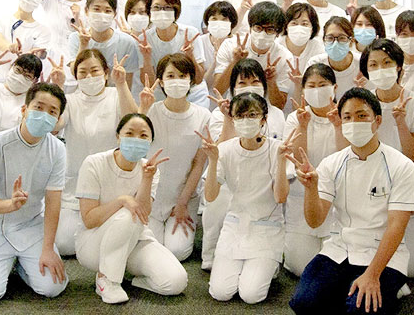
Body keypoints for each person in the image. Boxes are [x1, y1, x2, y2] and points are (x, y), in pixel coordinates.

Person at [288, 88, 414, 315]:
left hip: (382, 255)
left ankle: (388, 291)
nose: (354, 122)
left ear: (377, 121)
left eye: (362, 115)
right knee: (304, 303)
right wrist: (311, 189)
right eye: (347, 117)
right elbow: (315, 221)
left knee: (359, 309)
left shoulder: (401, 166)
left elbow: (397, 227)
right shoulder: (332, 163)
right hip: (341, 249)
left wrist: (372, 275)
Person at [0, 82, 68, 305]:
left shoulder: (57, 150)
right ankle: (1, 263)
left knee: (53, 287)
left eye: (52, 112)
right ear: (24, 109)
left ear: (57, 120)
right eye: (38, 107)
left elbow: (53, 202)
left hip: (30, 226)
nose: (44, 115)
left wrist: (48, 249)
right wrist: (9, 205)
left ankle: (21, 266)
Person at [74, 113, 188, 304]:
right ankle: (106, 279)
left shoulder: (149, 169)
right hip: (94, 244)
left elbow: (143, 214)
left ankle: (123, 274)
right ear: (118, 136)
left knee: (176, 282)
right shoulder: (94, 163)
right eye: (129, 133)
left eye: (143, 135)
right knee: (129, 212)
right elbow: (89, 219)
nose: (136, 139)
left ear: (150, 141)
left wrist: (147, 178)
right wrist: (122, 200)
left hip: (134, 241)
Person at [200, 93, 294, 303]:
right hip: (235, 226)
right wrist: (213, 161)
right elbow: (210, 195)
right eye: (240, 116)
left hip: (266, 228)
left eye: (252, 115)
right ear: (232, 119)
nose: (246, 121)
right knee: (221, 292)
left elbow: (280, 197)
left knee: (251, 295)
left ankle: (269, 265)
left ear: (263, 119)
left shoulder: (278, 149)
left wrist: (280, 162)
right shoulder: (225, 149)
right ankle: (252, 267)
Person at [52, 49, 144, 256]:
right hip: (77, 185)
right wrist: (57, 87)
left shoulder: (116, 95)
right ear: (76, 77)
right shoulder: (70, 100)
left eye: (94, 71)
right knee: (64, 244)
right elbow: (55, 127)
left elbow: (133, 121)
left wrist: (121, 84)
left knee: (118, 233)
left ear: (105, 72)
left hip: (112, 182)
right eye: (82, 72)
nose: (89, 77)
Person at [201, 59, 287, 270]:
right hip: (228, 177)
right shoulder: (219, 113)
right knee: (219, 201)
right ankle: (212, 254)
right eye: (242, 82)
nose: (249, 87)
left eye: (255, 81)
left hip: (262, 181)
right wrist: (228, 118)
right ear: (233, 87)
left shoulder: (276, 114)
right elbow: (220, 152)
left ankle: (266, 259)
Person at [360, 39, 414, 278]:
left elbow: (413, 154)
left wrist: (400, 121)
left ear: (399, 66)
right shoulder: (363, 103)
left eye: (387, 62)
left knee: (412, 270)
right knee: (376, 262)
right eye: (374, 64)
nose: (380, 69)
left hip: (410, 187)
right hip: (374, 186)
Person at [144, 53, 212, 261]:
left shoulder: (203, 116)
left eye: (182, 76)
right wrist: (142, 108)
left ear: (191, 80)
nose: (177, 81)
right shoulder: (151, 112)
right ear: (161, 81)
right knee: (151, 248)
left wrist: (182, 202)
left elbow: (198, 164)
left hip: (184, 197)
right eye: (171, 76)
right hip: (152, 197)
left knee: (177, 251)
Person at [282, 63, 347, 276]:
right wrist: (302, 125)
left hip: (337, 198)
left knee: (334, 267)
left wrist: (338, 125)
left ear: (334, 88)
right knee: (300, 267)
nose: (317, 90)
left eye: (323, 84)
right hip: (303, 195)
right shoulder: (295, 117)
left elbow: (348, 158)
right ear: (303, 90)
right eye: (311, 86)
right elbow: (297, 159)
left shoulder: (345, 115)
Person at [135, 0, 209, 108]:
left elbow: (199, 79)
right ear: (149, 11)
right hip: (161, 97)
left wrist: (190, 55)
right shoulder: (144, 39)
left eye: (167, 7)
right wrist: (147, 57)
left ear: (176, 10)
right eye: (157, 7)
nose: (162, 12)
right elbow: (149, 83)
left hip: (193, 96)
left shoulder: (190, 34)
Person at [214, 1, 294, 111]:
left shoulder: (285, 57)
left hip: (266, 111)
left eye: (270, 30)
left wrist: (271, 81)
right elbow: (218, 89)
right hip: (234, 108)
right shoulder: (230, 45)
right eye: (258, 28)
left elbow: (279, 105)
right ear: (250, 27)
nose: (263, 34)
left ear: (277, 33)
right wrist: (235, 62)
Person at [67, 0, 140, 88]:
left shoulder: (127, 42)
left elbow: (127, 83)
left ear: (114, 14)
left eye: (107, 11)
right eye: (96, 9)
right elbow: (74, 72)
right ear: (86, 11)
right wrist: (83, 44)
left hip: (115, 94)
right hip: (85, 93)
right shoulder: (76, 38)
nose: (102, 14)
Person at [0, 0, 53, 81]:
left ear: (41, 0)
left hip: (22, 83)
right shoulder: (1, 20)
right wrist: (9, 47)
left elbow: (35, 58)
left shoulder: (43, 31)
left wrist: (31, 57)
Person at [199, 0, 238, 90]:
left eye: (224, 19)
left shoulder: (237, 44)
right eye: (214, 19)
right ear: (208, 21)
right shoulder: (200, 42)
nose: (219, 23)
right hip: (206, 95)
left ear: (232, 22)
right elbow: (201, 85)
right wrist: (215, 62)